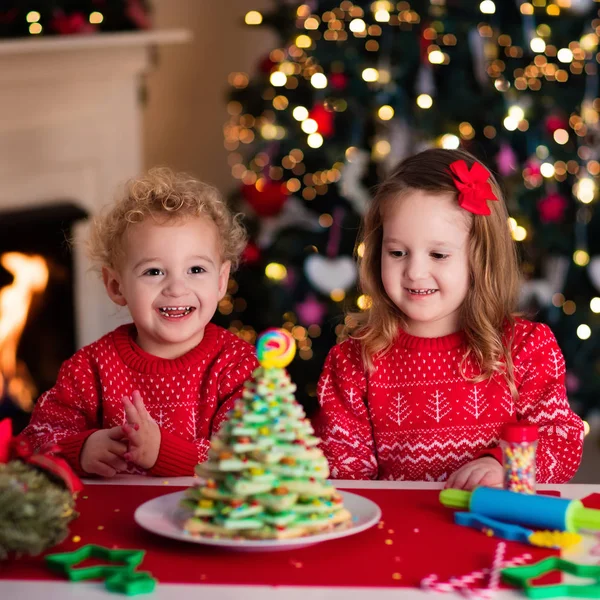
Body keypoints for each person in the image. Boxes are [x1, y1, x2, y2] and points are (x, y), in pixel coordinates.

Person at [314, 148, 584, 489]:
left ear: (480, 258)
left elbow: (561, 441)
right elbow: (344, 475)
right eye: (397, 252)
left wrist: (503, 466)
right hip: (399, 534)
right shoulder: (353, 361)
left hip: (491, 529)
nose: (414, 271)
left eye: (438, 254)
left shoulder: (526, 348)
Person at [21, 168, 258, 477]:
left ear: (221, 280)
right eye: (154, 272)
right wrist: (80, 449)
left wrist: (164, 453)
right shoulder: (91, 368)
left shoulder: (237, 366)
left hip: (207, 520)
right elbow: (35, 439)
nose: (176, 288)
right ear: (116, 287)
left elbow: (251, 457)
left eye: (196, 270)